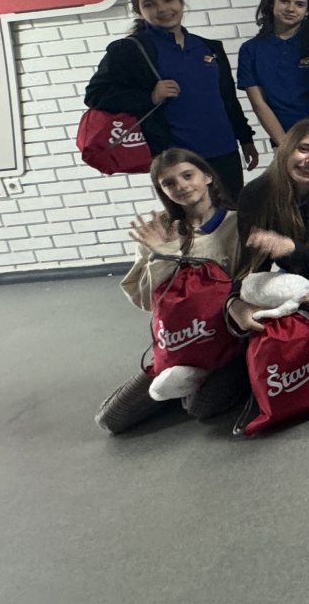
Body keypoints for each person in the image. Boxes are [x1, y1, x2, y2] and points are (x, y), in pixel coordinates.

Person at [95, 149, 240, 434]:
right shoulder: (157, 230)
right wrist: (163, 253)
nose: (181, 186)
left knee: (200, 408)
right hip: (180, 342)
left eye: (188, 175)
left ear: (207, 176)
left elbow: (242, 284)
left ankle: (206, 380)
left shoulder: (236, 224)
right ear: (162, 190)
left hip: (224, 340)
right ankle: (179, 381)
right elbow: (145, 299)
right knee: (110, 419)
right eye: (169, 183)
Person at [84, 0, 258, 199]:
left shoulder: (208, 47)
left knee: (232, 216)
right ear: (138, 11)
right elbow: (95, 95)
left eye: (168, 0)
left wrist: (245, 138)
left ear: (180, 2)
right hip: (175, 160)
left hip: (224, 151)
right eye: (150, 4)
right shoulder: (130, 50)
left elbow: (227, 99)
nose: (162, 9)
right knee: (193, 219)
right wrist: (150, 97)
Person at [224, 117, 309, 333]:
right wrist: (233, 302)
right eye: (304, 149)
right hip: (289, 277)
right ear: (286, 148)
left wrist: (290, 248)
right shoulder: (256, 193)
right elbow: (252, 266)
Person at [237, 0, 309, 147]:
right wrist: (286, 144)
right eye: (284, 1)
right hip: (282, 140)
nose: (290, 9)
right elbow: (258, 104)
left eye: (299, 4)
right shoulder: (250, 50)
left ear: (308, 10)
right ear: (272, 2)